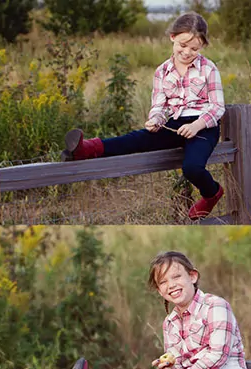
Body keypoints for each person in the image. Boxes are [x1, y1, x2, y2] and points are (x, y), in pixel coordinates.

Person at [51, 251, 247, 369]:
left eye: (177, 276)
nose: (171, 285)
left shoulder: (215, 305)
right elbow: (179, 365)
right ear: (160, 291)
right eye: (163, 282)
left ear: (193, 277)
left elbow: (217, 355)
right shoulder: (169, 323)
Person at [61, 12, 225, 220]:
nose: (187, 52)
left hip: (203, 127)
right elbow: (159, 104)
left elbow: (218, 107)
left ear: (202, 46)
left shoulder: (208, 69)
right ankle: (87, 149)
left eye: (194, 48)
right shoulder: (162, 71)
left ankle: (212, 193)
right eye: (182, 45)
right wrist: (156, 119)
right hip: (174, 123)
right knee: (135, 139)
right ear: (172, 37)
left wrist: (197, 125)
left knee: (192, 167)